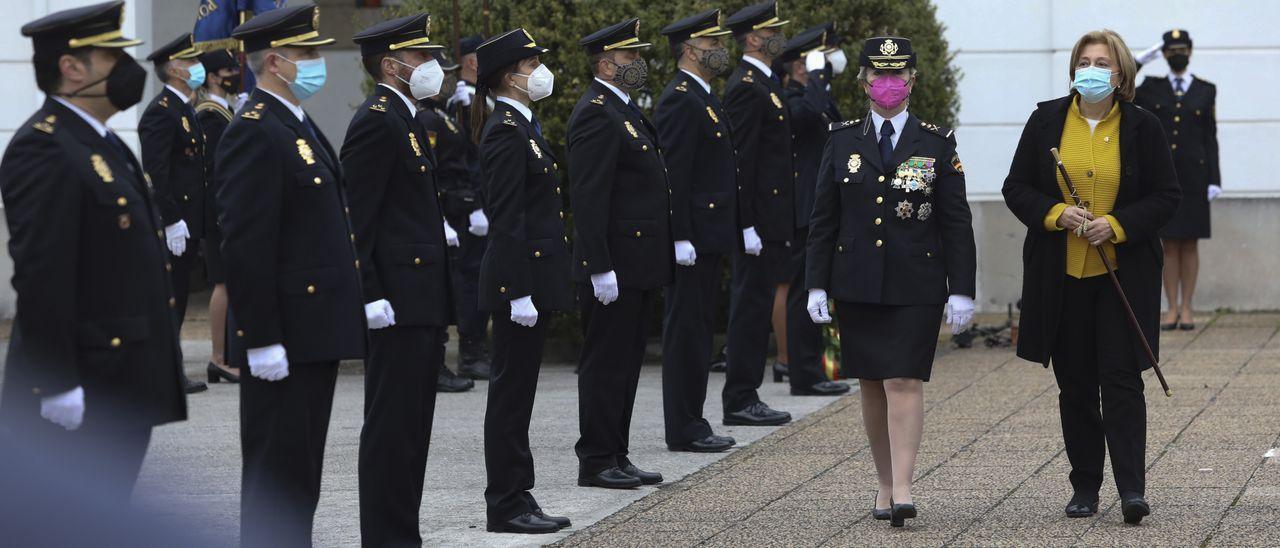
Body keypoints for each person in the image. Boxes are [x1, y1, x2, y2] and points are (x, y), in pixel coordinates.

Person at [0, 0, 186, 505]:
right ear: (71, 66)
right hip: (84, 384)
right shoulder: (43, 147)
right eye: (112, 58)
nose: (128, 69)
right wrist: (55, 382)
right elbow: (42, 274)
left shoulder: (102, 143)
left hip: (119, 380)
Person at [1001, 29, 1180, 525]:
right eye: (1085, 60)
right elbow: (1015, 188)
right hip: (1061, 275)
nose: (1092, 69)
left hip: (1123, 274)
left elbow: (1167, 196)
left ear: (1120, 72)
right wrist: (1056, 213)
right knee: (1075, 385)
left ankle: (1132, 489)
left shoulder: (1143, 125)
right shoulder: (1046, 121)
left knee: (1122, 381)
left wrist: (1119, 225)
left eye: (1102, 61)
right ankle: (1085, 486)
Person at [806, 36, 977, 528]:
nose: (888, 85)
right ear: (862, 81)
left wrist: (962, 288)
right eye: (878, 76)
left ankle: (903, 485)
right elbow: (824, 219)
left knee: (904, 378)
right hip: (856, 281)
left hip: (916, 282)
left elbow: (955, 221)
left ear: (912, 81)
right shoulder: (841, 139)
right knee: (871, 384)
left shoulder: (936, 141)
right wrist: (816, 284)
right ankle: (883, 482)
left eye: (897, 76)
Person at [217, 5, 366, 545]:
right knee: (276, 473)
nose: (318, 61)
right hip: (284, 334)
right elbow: (247, 245)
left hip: (312, 329)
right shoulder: (255, 129)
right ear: (275, 62)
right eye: (308, 53)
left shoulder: (293, 121)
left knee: (300, 471)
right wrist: (261, 340)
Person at [343, 13, 459, 546]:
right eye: (421, 58)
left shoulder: (408, 117)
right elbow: (358, 219)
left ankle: (401, 534)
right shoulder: (377, 120)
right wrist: (370, 294)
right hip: (395, 300)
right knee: (392, 428)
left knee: (414, 428)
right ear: (392, 65)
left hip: (421, 298)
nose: (433, 66)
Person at [472, 28, 574, 534]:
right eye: (531, 65)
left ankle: (520, 493)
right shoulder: (505, 131)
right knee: (510, 395)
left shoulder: (524, 126)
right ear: (508, 76)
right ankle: (505, 502)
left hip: (531, 277)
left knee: (520, 394)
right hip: (519, 283)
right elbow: (506, 218)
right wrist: (519, 292)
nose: (539, 72)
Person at [569, 17, 671, 490]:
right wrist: (599, 265)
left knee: (626, 362)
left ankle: (617, 451)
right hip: (615, 264)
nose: (639, 63)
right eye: (630, 57)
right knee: (605, 363)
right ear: (606, 64)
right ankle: (595, 458)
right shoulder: (596, 111)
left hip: (638, 263)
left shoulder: (622, 109)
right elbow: (589, 197)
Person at [652, 9, 738, 455]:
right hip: (693, 238)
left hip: (709, 234)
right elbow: (675, 175)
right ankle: (684, 425)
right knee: (687, 331)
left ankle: (693, 420)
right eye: (711, 46)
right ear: (689, 50)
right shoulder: (680, 99)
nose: (720, 52)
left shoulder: (703, 95)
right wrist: (679, 234)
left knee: (700, 329)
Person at [720, 0, 795, 427]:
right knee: (749, 309)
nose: (778, 38)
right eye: (772, 32)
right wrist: (745, 222)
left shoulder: (765, 82)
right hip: (758, 222)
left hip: (771, 219)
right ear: (752, 38)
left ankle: (748, 393)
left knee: (758, 303)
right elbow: (741, 161)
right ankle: (740, 398)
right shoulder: (747, 85)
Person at [775, 24, 850, 397]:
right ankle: (802, 374)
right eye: (824, 55)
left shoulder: (814, 96)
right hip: (804, 209)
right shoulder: (791, 98)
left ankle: (828, 365)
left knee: (822, 288)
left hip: (824, 206)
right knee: (804, 290)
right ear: (800, 66)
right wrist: (817, 76)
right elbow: (808, 115)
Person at [1134, 29, 1220, 331]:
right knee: (1168, 244)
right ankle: (1170, 308)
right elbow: (1121, 87)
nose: (1177, 54)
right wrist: (1138, 61)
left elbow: (1210, 136)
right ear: (1164, 54)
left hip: (1195, 177)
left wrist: (1215, 178)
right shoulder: (1151, 87)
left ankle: (1187, 307)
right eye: (1171, 50)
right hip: (1163, 177)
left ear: (1190, 51)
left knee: (1190, 243)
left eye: (1182, 49)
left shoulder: (1205, 89)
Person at [139, 32, 210, 395]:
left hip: (189, 221)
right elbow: (156, 172)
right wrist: (170, 219)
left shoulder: (184, 109)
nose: (200, 68)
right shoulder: (162, 112)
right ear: (176, 70)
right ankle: (164, 372)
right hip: (174, 224)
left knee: (179, 298)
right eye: (193, 62)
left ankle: (168, 370)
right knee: (171, 298)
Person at [418, 51, 482, 392]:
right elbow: (432, 172)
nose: (445, 79)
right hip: (447, 212)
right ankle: (437, 363)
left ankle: (442, 360)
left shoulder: (442, 114)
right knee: (446, 288)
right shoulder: (426, 119)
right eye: (441, 73)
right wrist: (440, 217)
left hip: (459, 211)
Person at [192, 48, 242, 385]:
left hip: (227, 208)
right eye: (227, 70)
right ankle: (218, 358)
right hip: (218, 211)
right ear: (212, 77)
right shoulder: (209, 116)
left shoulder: (223, 110)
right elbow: (215, 171)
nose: (233, 75)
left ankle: (228, 354)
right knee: (222, 282)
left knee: (230, 280)